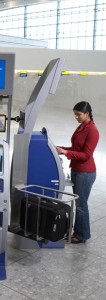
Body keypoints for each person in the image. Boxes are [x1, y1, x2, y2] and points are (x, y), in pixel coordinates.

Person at [56, 101, 99, 244]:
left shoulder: (92, 130)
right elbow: (76, 148)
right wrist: (62, 149)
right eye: (75, 114)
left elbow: (86, 155)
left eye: (78, 114)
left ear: (87, 114)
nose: (76, 117)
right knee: (79, 203)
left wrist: (66, 152)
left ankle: (82, 235)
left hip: (85, 173)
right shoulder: (82, 127)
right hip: (77, 170)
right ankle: (78, 232)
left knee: (81, 205)